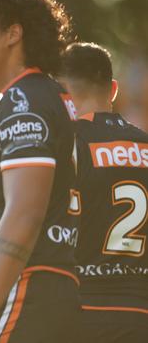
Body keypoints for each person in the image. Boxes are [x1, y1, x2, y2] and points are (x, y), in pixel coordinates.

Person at [0, 0, 80, 342]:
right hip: (29, 288)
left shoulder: (24, 99)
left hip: (22, 287)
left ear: (13, 34)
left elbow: (24, 212)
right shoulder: (37, 95)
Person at [58, 42, 148, 342]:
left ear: (63, 94)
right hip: (140, 311)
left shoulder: (66, 146)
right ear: (113, 89)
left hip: (80, 308)